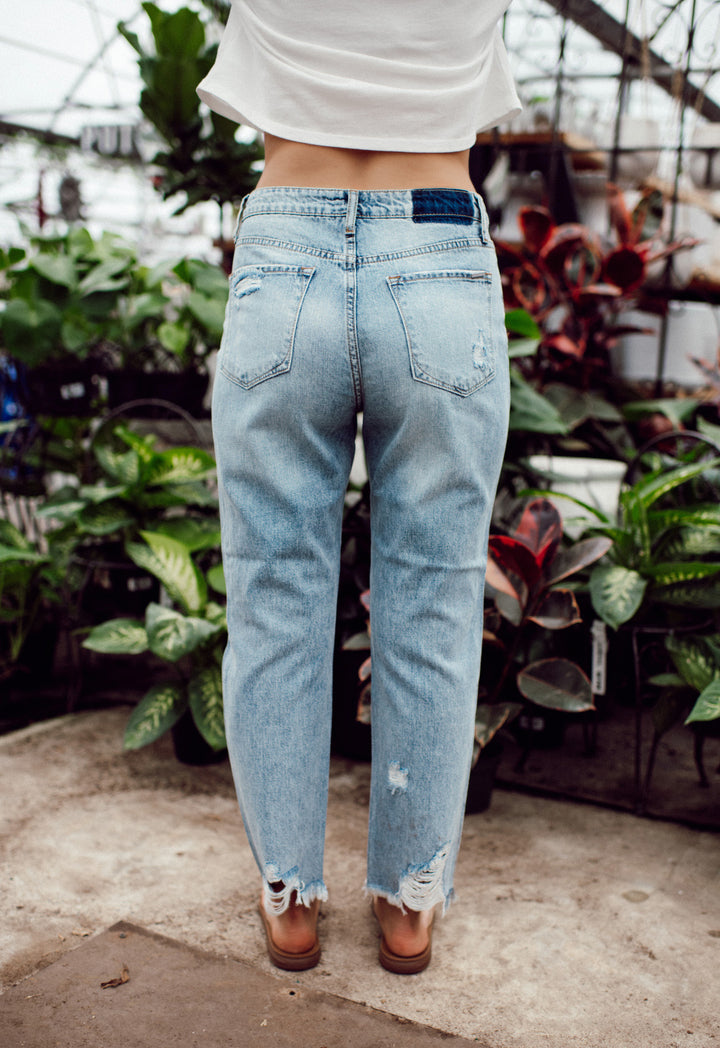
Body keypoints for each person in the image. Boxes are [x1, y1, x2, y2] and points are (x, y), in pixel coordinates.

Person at [198, 0, 521, 974]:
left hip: (286, 245)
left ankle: (289, 896)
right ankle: (410, 901)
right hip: (438, 250)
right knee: (434, 594)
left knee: (273, 593)